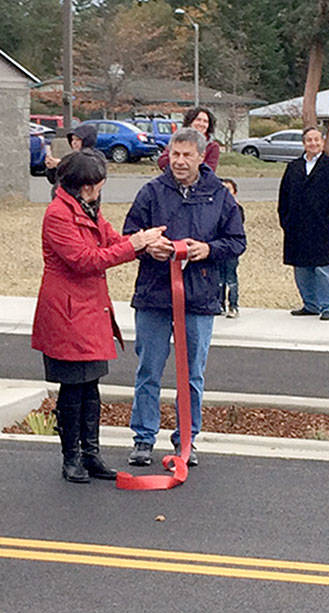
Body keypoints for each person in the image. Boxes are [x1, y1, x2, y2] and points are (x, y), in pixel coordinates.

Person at [32, 151, 166, 482]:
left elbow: (111, 241)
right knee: (72, 388)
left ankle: (91, 453)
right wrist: (134, 244)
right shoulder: (58, 215)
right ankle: (71, 457)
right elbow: (85, 260)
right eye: (94, 186)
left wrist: (144, 244)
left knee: (91, 386)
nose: (98, 192)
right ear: (79, 186)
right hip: (66, 312)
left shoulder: (88, 209)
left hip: (90, 310)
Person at [124, 128, 246, 468]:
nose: (179, 161)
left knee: (192, 374)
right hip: (153, 296)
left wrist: (207, 249)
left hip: (200, 298)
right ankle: (143, 439)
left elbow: (237, 241)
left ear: (200, 157)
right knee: (149, 369)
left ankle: (187, 440)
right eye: (174, 155)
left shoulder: (220, 196)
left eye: (186, 155)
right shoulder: (151, 192)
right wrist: (149, 246)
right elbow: (127, 236)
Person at [278, 126, 329, 321]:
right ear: (304, 143)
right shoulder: (293, 167)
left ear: (322, 142)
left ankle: (328, 306)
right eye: (309, 140)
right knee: (301, 268)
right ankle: (310, 304)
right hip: (296, 228)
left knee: (323, 268)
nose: (313, 144)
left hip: (321, 227)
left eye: (317, 140)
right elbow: (283, 197)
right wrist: (286, 221)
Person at [157, 106, 221, 173]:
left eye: (205, 121)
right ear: (190, 122)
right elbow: (162, 161)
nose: (201, 124)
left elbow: (209, 170)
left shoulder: (212, 146)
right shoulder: (178, 140)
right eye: (198, 120)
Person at [221, 177, 243, 318]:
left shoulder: (236, 209)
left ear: (234, 192)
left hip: (231, 249)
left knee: (231, 280)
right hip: (218, 248)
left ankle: (233, 306)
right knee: (218, 280)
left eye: (228, 190)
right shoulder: (215, 208)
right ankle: (219, 304)